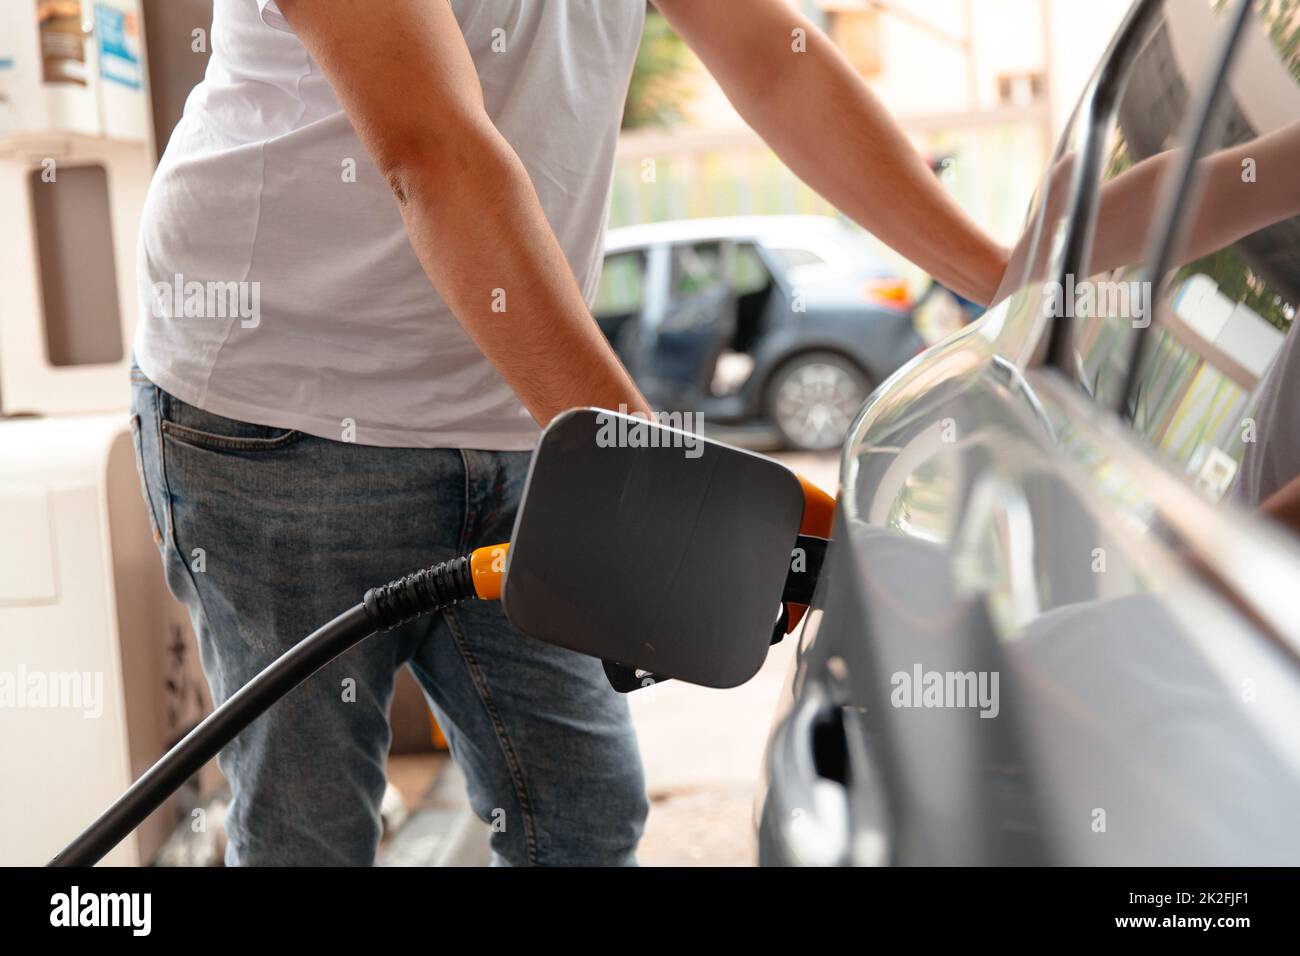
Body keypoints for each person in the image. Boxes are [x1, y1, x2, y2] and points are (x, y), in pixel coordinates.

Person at [130, 0, 1007, 865]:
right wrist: (660, 489)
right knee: (307, 836)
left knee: (582, 819)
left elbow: (774, 60)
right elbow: (436, 153)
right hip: (275, 416)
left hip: (522, 413)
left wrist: (1005, 283)